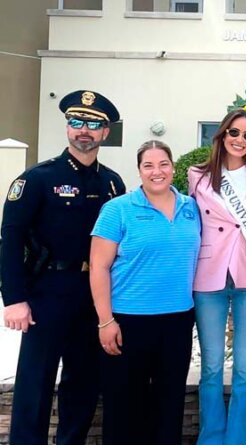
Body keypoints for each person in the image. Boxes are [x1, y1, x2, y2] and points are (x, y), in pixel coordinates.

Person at [0, 90, 125, 445]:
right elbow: (10, 239)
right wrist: (14, 299)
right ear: (68, 127)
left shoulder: (112, 183)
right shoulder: (37, 179)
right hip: (48, 292)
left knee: (83, 381)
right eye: (77, 122)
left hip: (94, 296)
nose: (84, 130)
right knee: (35, 382)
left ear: (105, 132)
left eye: (93, 125)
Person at [89, 140, 201, 445]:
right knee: (124, 406)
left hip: (178, 320)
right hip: (128, 321)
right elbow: (99, 267)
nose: (157, 171)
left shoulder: (191, 208)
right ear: (139, 170)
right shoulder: (117, 210)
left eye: (163, 164)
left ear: (173, 168)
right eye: (148, 165)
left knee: (169, 404)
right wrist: (105, 321)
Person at [189, 108, 246, 445]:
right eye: (234, 132)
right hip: (209, 275)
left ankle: (236, 439)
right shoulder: (197, 175)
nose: (240, 140)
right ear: (223, 134)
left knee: (244, 368)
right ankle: (211, 438)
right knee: (211, 366)